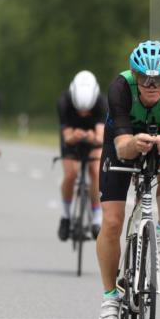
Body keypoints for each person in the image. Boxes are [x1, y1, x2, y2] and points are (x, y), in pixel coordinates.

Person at [96, 40, 160, 319]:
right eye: (145, 79)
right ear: (135, 76)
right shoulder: (120, 88)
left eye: (159, 79)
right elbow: (123, 147)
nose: (151, 85)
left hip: (159, 136)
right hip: (121, 140)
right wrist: (134, 144)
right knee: (112, 221)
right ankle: (111, 297)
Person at [58, 70, 108, 241]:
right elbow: (67, 137)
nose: (83, 114)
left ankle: (96, 219)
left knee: (95, 170)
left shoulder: (102, 103)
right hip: (71, 138)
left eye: (87, 111)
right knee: (71, 174)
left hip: (94, 138)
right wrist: (74, 137)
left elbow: (100, 137)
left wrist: (91, 137)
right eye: (79, 110)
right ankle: (65, 217)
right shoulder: (64, 102)